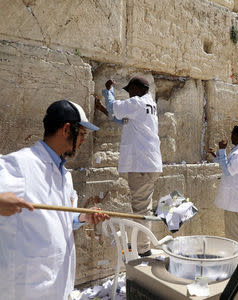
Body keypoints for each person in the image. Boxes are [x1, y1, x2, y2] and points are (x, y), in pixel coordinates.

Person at [0, 100, 110, 299]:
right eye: (82, 134)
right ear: (67, 129)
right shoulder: (21, 165)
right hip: (27, 289)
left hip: (57, 286)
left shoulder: (64, 175)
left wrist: (82, 218)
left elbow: (62, 219)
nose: (83, 141)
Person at [100, 77, 162, 257]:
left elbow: (115, 108)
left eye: (130, 90)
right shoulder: (148, 104)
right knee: (144, 207)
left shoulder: (137, 102)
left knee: (140, 210)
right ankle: (143, 245)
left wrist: (109, 91)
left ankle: (143, 250)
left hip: (141, 164)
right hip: (148, 164)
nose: (129, 94)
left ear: (136, 88)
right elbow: (121, 120)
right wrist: (102, 109)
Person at [208, 125, 238, 245]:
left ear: (236, 136)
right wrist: (216, 155)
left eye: (232, 134)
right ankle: (236, 258)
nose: (230, 136)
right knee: (232, 230)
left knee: (234, 233)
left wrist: (222, 150)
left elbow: (227, 171)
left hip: (235, 198)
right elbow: (227, 165)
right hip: (234, 198)